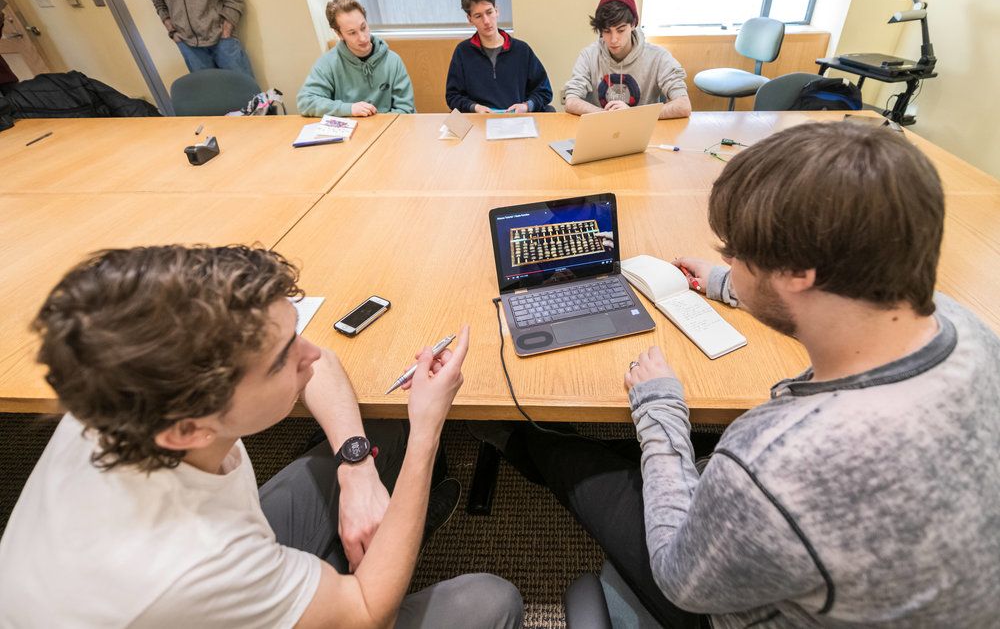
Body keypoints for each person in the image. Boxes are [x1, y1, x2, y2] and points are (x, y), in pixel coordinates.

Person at [482, 122, 1000, 627]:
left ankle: (521, 441)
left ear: (798, 275)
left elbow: (680, 579)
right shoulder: (965, 326)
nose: (727, 260)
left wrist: (659, 408)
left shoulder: (771, 462)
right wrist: (731, 284)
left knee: (576, 455)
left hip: (713, 600)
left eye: (733, 254)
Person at [0, 245, 522, 628]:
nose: (311, 355)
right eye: (282, 360)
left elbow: (323, 364)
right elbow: (368, 611)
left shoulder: (123, 383)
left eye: (294, 333)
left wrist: (358, 470)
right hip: (199, 587)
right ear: (190, 429)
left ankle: (372, 541)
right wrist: (429, 430)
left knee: (373, 432)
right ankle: (371, 554)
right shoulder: (198, 562)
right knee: (489, 602)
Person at [564, 0, 691, 119]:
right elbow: (571, 101)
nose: (613, 39)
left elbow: (683, 105)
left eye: (621, 30)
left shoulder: (658, 57)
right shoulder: (589, 55)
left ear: (633, 24)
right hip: (601, 130)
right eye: (607, 31)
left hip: (642, 132)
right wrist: (605, 114)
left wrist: (631, 114)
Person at [445, 0, 552, 114]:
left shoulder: (522, 50)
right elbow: (453, 96)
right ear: (469, 19)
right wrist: (475, 107)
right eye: (478, 16)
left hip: (517, 121)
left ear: (497, 11)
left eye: (489, 12)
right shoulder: (462, 52)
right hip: (479, 124)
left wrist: (526, 106)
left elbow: (544, 91)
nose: (486, 21)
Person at [298, 0, 415, 118]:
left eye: (363, 27)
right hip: (350, 133)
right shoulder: (327, 63)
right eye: (352, 33)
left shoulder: (393, 61)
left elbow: (406, 110)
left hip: (389, 130)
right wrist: (349, 109)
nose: (363, 38)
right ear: (339, 34)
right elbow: (306, 102)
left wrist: (375, 127)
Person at [142, 0, 255, 81]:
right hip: (188, 46)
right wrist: (172, 31)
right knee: (211, 96)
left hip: (222, 39)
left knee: (247, 94)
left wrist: (226, 31)